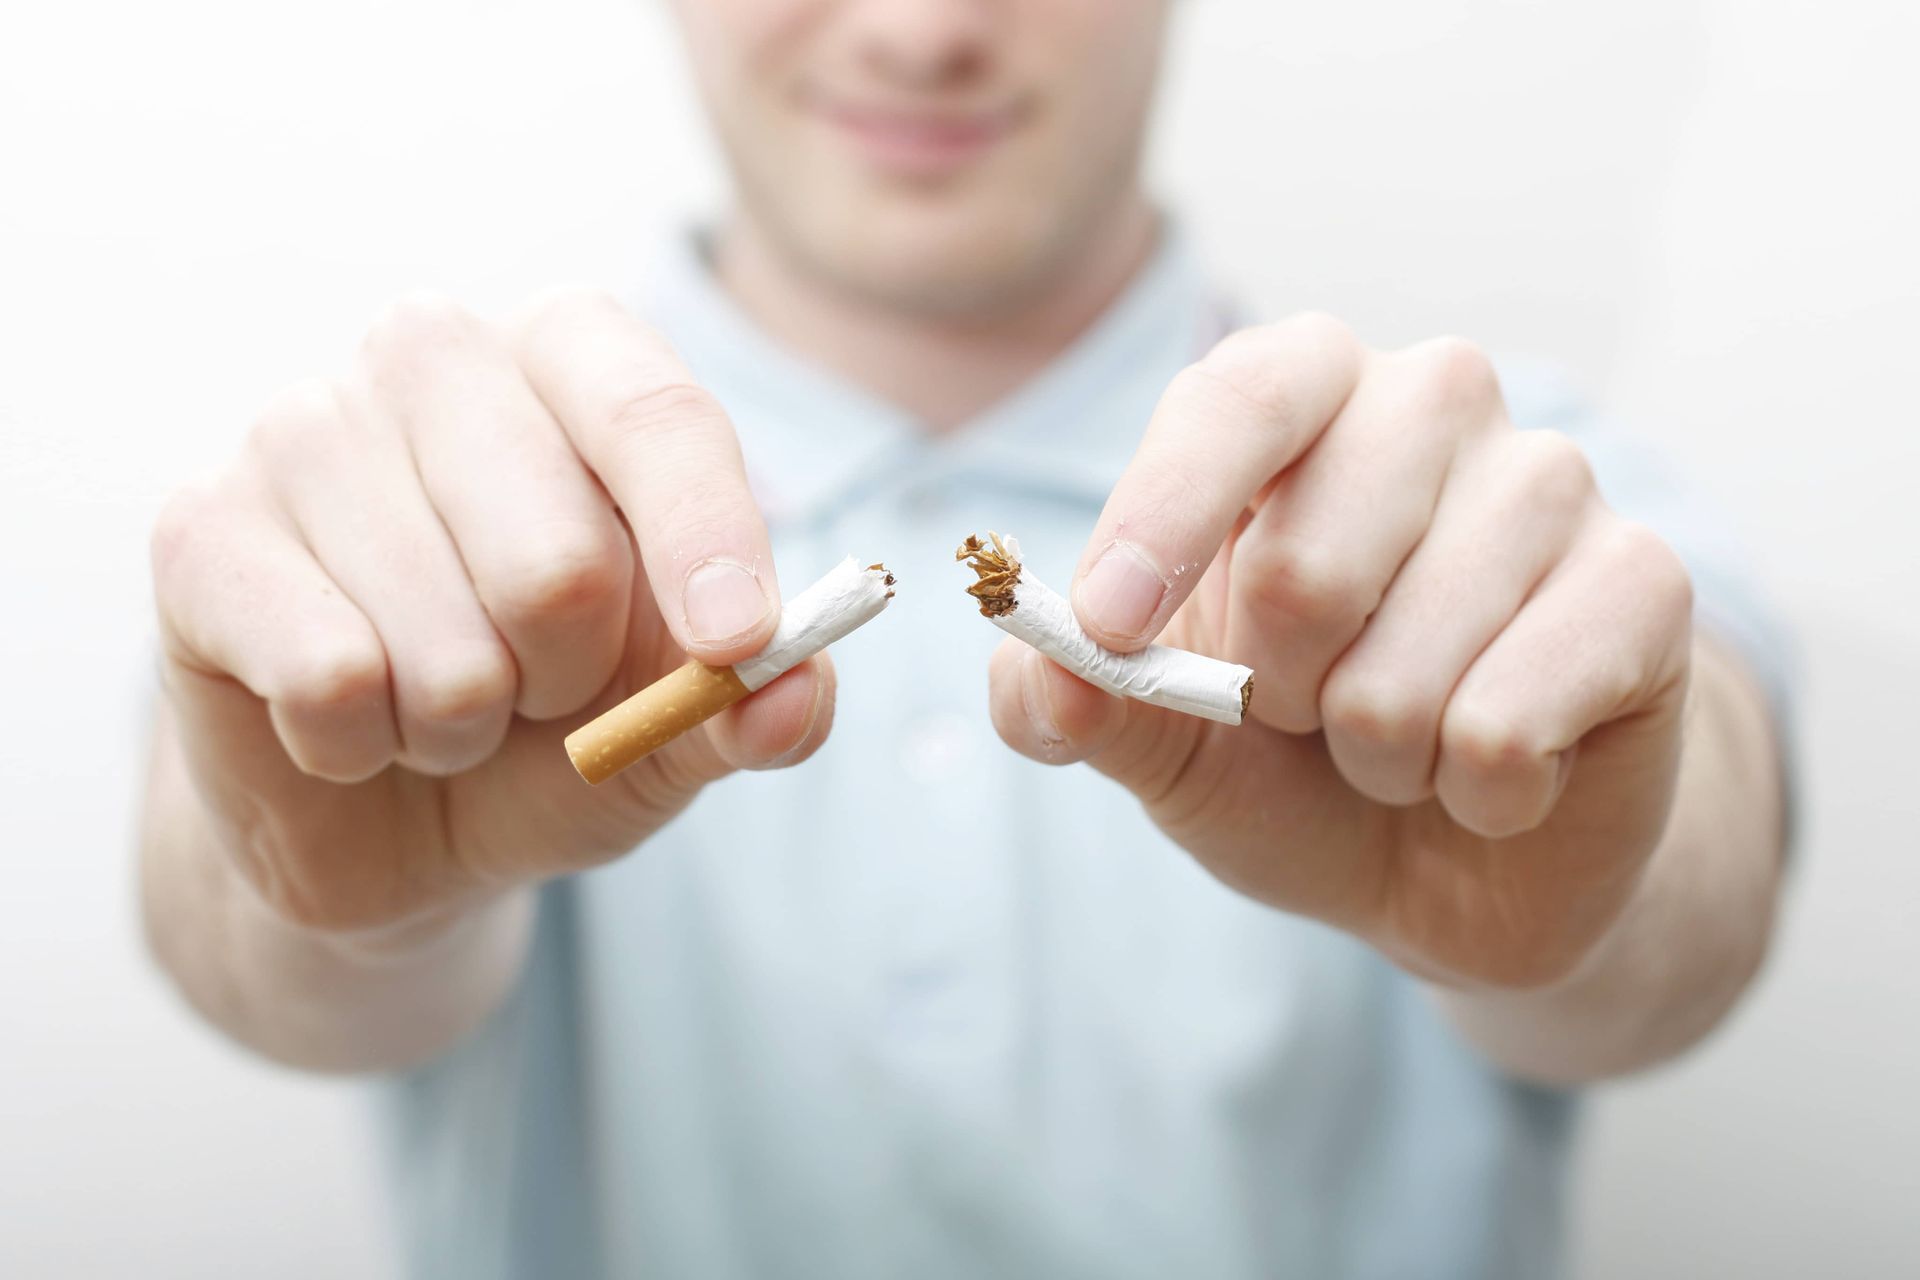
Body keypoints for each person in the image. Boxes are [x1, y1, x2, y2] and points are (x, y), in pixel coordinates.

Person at [138, 3, 1793, 1276]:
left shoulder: (1513, 499)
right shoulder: (418, 513)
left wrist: (1584, 867)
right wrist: (320, 899)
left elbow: (1687, 883)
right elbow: (241, 911)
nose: (924, 32)